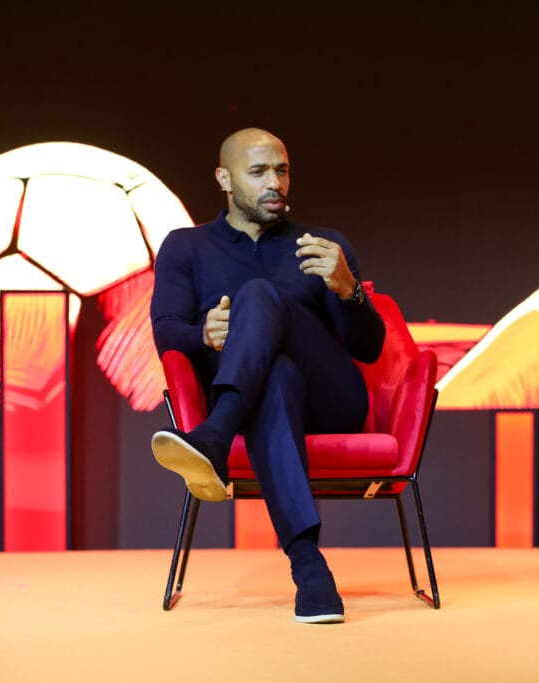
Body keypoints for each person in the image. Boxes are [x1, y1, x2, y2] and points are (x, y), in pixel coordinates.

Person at [149, 127, 386, 624]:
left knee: (258, 293)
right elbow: (167, 332)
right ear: (224, 178)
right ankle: (310, 567)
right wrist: (203, 336)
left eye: (281, 170)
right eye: (258, 172)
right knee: (275, 376)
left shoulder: (322, 246)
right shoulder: (186, 247)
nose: (274, 182)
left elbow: (369, 349)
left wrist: (349, 290)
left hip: (332, 402)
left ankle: (215, 435)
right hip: (269, 401)